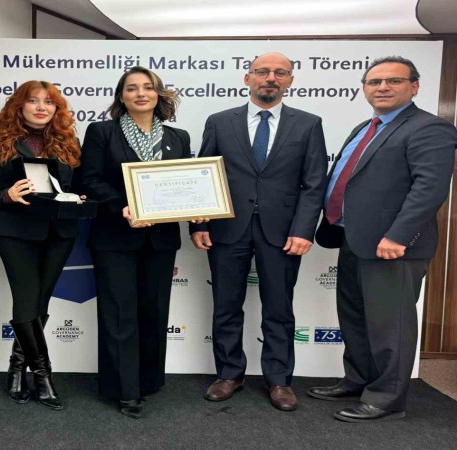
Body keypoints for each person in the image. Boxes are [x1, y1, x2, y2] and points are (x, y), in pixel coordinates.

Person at [311, 56, 457, 423]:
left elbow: (429, 188)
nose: (382, 87)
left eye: (394, 81)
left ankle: (387, 399)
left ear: (414, 87)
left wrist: (398, 235)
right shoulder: (365, 127)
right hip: (352, 237)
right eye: (374, 82)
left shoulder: (430, 128)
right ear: (364, 89)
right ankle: (358, 381)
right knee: (356, 317)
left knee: (390, 325)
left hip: (393, 247)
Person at [190, 52, 328, 411]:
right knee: (226, 305)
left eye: (280, 72)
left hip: (283, 232)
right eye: (263, 71)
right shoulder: (220, 122)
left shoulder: (308, 124)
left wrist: (304, 230)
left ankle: (279, 380)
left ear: (290, 81)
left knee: (279, 308)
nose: (271, 78)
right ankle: (229, 374)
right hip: (226, 228)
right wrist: (200, 222)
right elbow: (204, 174)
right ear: (247, 78)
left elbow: (314, 183)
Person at [81, 66, 199, 419]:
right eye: (132, 88)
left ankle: (148, 380)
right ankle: (124, 389)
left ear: (159, 94)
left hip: (161, 238)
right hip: (115, 236)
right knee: (119, 313)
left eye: (148, 87)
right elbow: (89, 179)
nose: (140, 93)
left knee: (154, 310)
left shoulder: (178, 137)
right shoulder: (102, 132)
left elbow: (186, 183)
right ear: (122, 96)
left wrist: (199, 209)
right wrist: (123, 206)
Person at [0, 80, 82, 410]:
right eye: (33, 101)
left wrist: (78, 197)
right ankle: (43, 376)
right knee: (26, 302)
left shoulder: (69, 142)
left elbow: (79, 187)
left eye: (48, 102)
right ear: (19, 106)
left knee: (39, 303)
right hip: (16, 233)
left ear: (56, 109)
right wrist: (6, 195)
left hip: (59, 233)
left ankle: (15, 368)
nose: (41, 107)